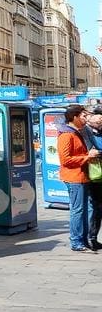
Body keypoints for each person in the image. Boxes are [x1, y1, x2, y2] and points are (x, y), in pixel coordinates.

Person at [58, 104, 99, 252]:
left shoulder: (77, 132)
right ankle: (76, 242)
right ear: (74, 117)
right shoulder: (66, 135)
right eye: (83, 116)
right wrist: (87, 156)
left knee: (84, 209)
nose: (85, 118)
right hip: (74, 177)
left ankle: (83, 240)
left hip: (82, 176)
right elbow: (66, 160)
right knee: (78, 210)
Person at [84, 107, 102, 250]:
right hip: (94, 175)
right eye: (99, 116)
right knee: (95, 208)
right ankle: (91, 238)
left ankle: (93, 238)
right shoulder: (86, 132)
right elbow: (91, 151)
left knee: (98, 209)